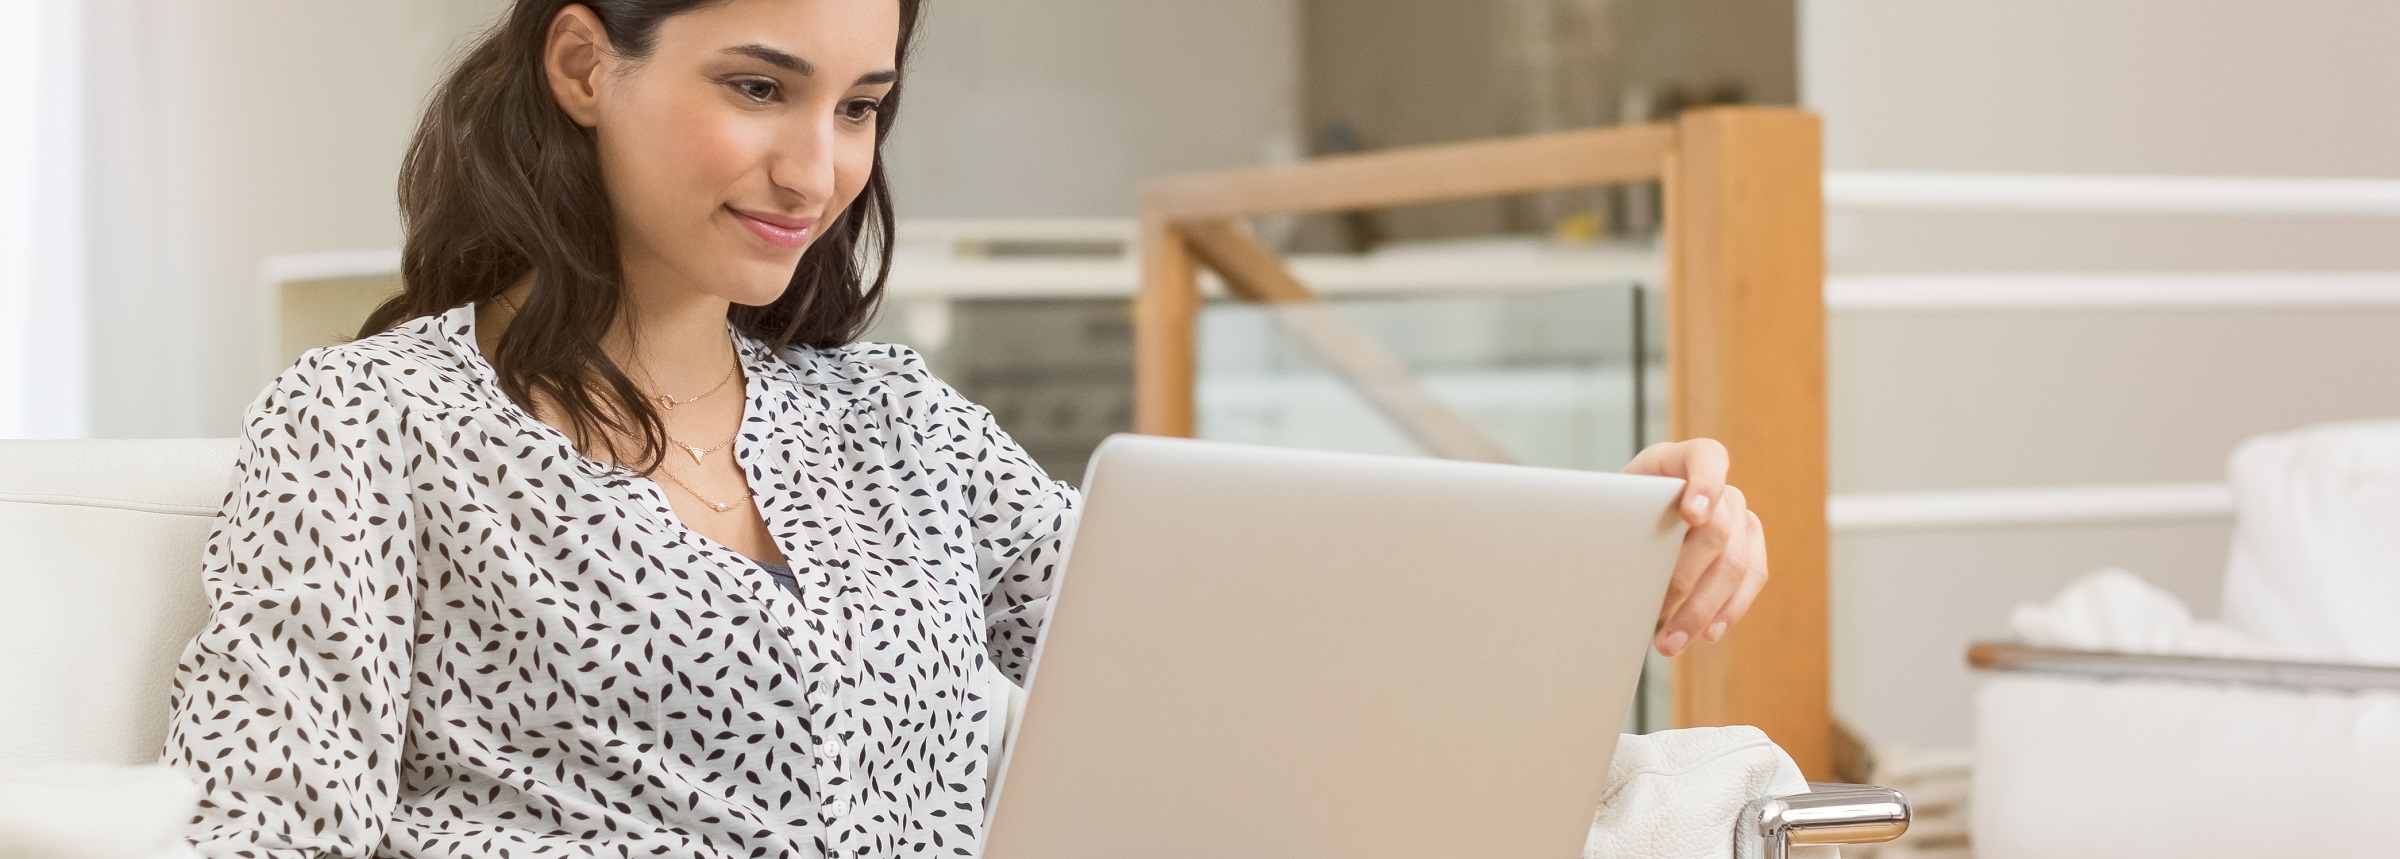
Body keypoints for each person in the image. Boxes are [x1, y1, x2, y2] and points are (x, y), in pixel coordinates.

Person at [159, 1, 1772, 857]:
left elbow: (1236, 648)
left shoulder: (893, 423)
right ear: (585, 63)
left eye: (859, 105)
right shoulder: (367, 425)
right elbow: (269, 840)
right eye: (758, 85)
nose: (817, 168)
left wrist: (1603, 544)